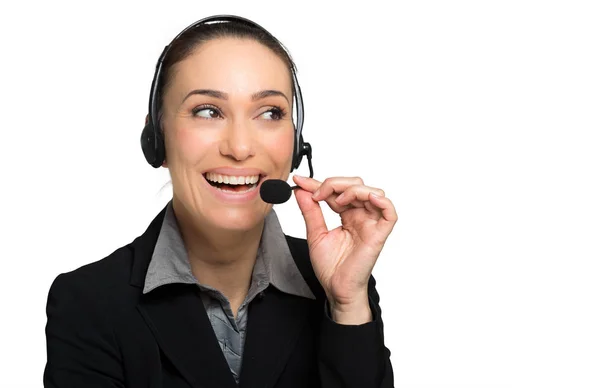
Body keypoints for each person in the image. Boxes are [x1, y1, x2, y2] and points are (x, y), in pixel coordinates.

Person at [43, 15, 397, 388]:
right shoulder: (89, 302)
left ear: (296, 145)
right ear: (157, 139)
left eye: (269, 113)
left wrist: (346, 304)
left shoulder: (339, 288)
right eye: (208, 111)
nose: (240, 147)